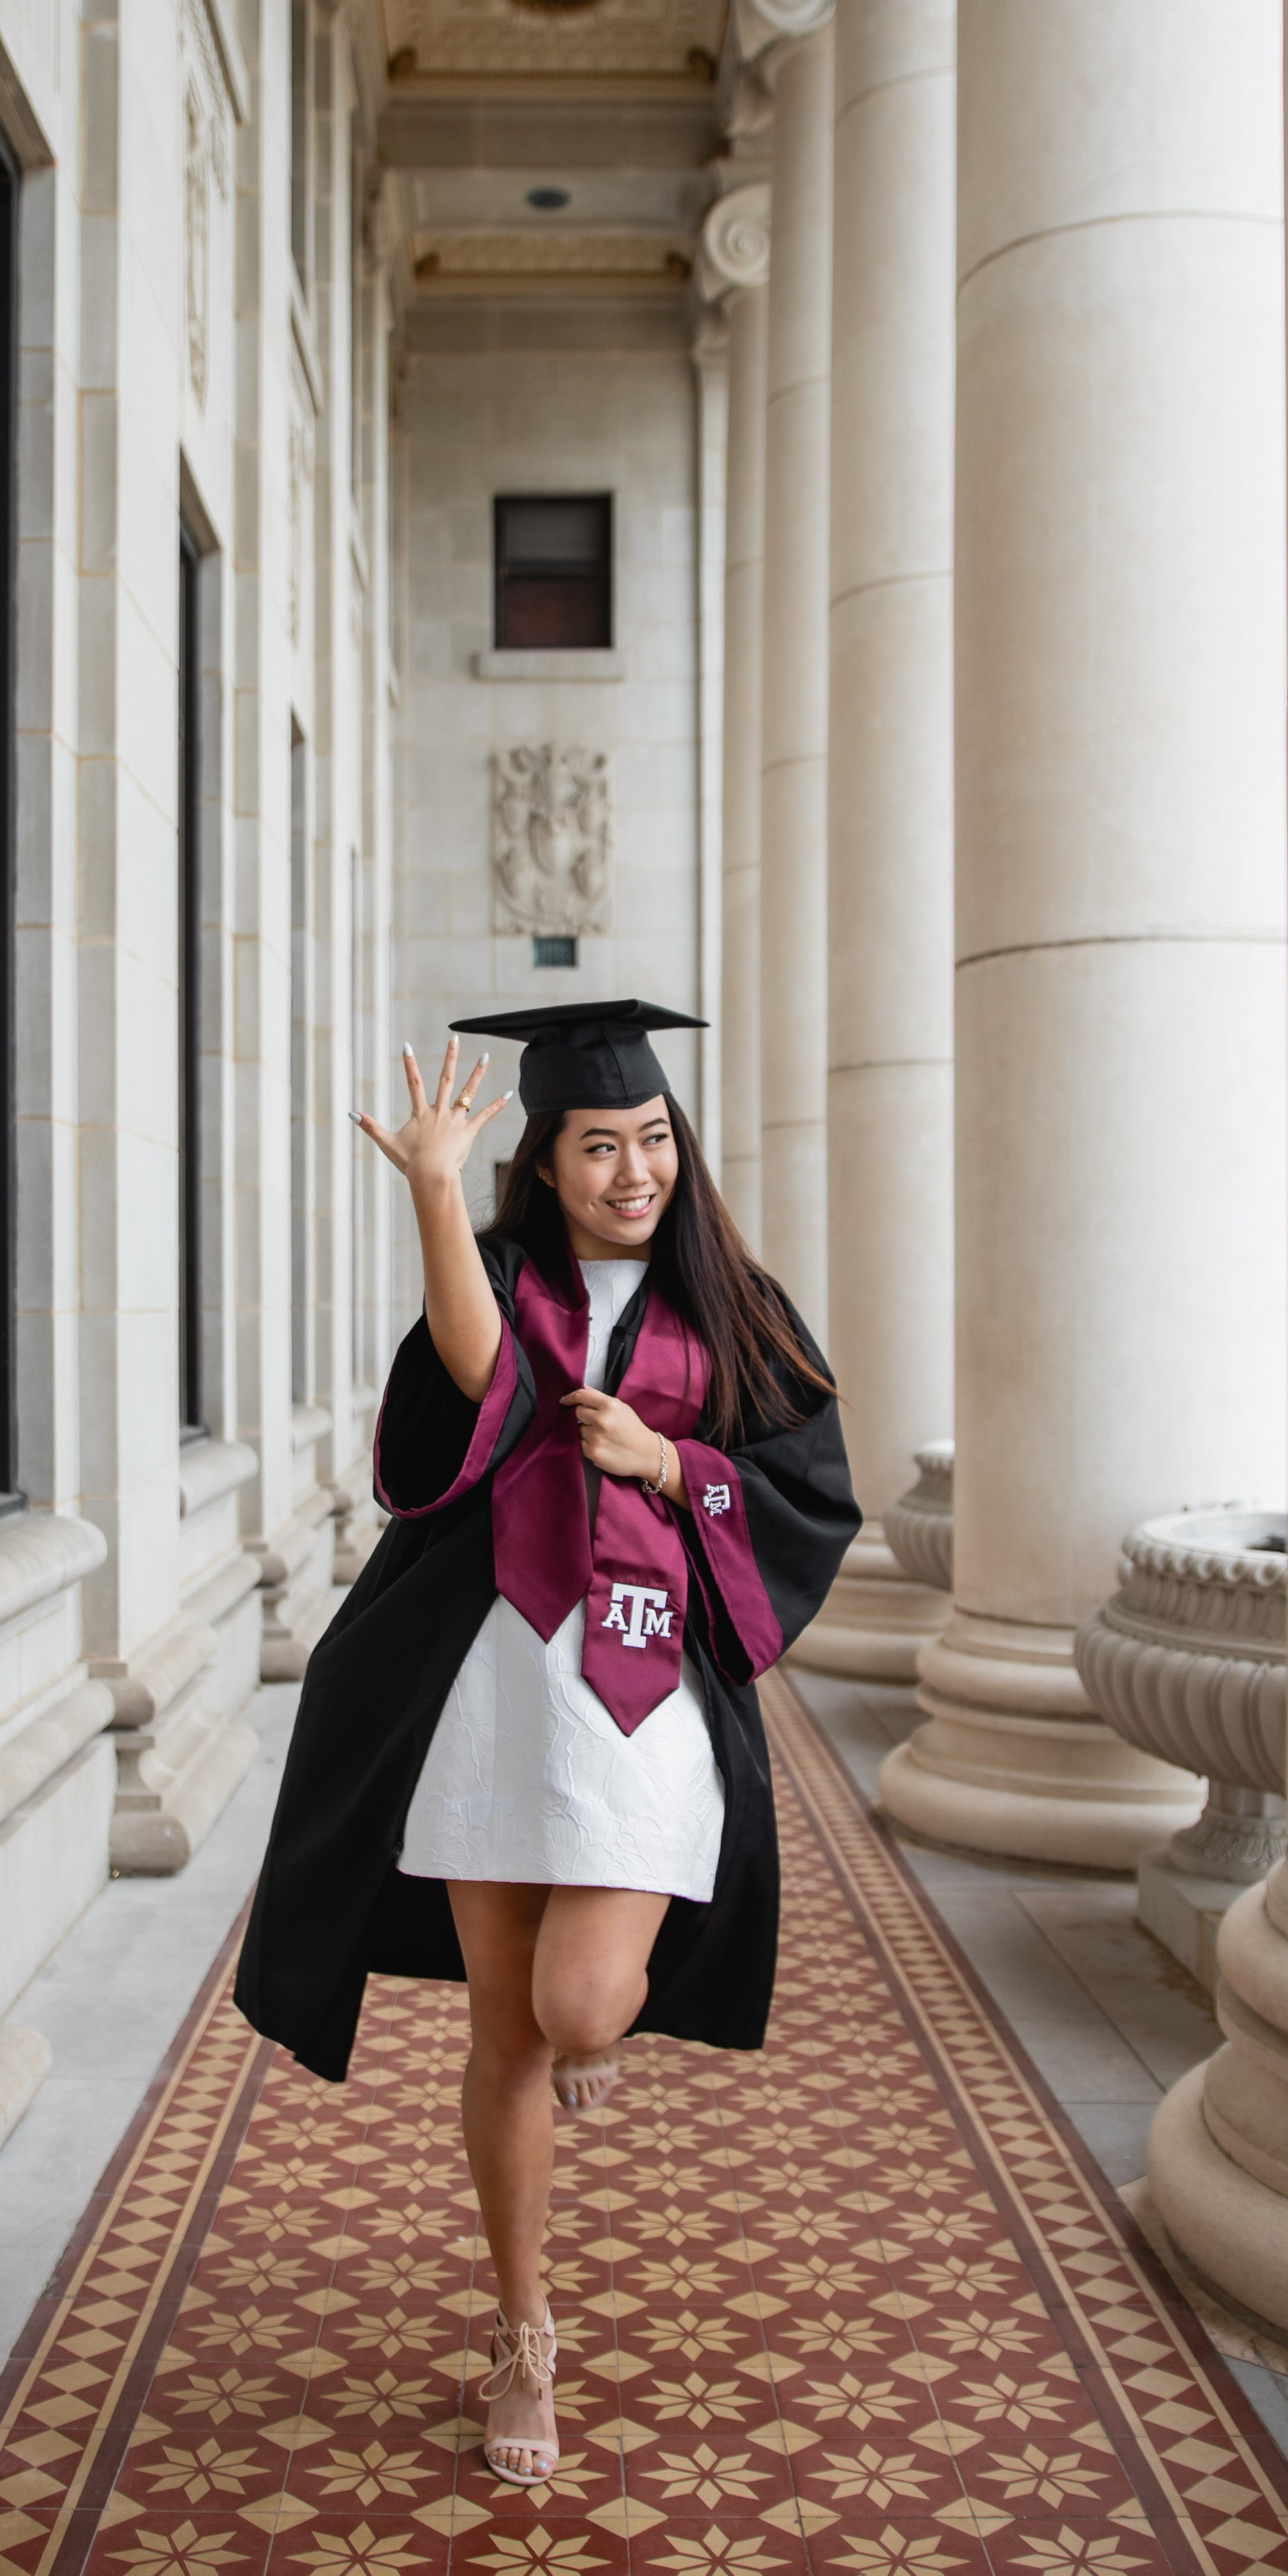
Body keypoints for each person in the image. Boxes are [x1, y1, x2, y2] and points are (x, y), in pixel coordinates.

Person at [234, 1000, 859, 2487]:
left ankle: (602, 2043)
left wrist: (672, 1461)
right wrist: (433, 1193)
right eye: (599, 1146)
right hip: (496, 1688)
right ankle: (522, 2332)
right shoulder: (510, 1276)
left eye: (650, 1140)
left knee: (581, 2007)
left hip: (644, 1691)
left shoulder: (737, 1307)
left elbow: (804, 1486)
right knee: (504, 2031)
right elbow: (473, 1379)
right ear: (549, 1160)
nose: (631, 1169)